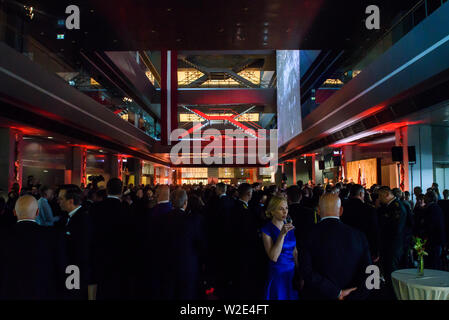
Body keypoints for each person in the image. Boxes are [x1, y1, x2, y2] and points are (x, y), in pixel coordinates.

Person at [299, 193, 372, 300]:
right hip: (350, 294)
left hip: (317, 295)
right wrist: (357, 294)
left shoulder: (307, 234)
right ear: (341, 210)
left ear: (318, 211)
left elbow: (306, 271)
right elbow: (370, 270)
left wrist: (336, 292)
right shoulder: (359, 235)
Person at [0, 195, 68, 299]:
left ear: (14, 212)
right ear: (37, 212)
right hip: (43, 293)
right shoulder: (53, 236)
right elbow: (62, 268)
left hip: (9, 293)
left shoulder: (3, 235)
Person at [158, 189, 204, 299]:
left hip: (166, 264)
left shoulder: (161, 219)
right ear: (185, 203)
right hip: (187, 266)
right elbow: (200, 245)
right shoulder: (193, 221)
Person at [59, 184, 95, 300]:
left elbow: (82, 250)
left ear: (70, 201)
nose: (58, 201)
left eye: (61, 199)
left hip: (76, 270)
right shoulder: (67, 217)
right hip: (72, 269)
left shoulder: (82, 220)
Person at [261, 195, 299, 300]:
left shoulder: (289, 225)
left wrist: (299, 271)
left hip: (291, 273)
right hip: (277, 274)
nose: (285, 212)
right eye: (281, 209)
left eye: (286, 208)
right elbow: (273, 257)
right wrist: (282, 234)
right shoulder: (266, 230)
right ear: (272, 211)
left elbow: (294, 251)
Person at [377, 187, 407, 295]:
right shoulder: (388, 207)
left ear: (386, 194)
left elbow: (395, 228)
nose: (379, 199)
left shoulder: (396, 207)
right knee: (388, 271)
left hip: (393, 245)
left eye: (380, 196)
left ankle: (394, 294)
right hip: (389, 245)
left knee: (392, 272)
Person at [341, 184, 380, 262]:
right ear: (361, 194)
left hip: (346, 245)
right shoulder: (369, 209)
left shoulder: (343, 208)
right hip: (365, 246)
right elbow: (374, 231)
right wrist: (375, 251)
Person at [286, 185, 314, 250]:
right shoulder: (310, 212)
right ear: (301, 197)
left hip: (289, 246)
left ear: (287, 197)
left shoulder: (285, 213)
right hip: (306, 246)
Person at [423, 190, 446, 269]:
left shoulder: (432, 208)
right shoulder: (435, 207)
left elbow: (431, 225)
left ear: (429, 198)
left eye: (425, 196)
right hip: (435, 240)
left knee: (433, 261)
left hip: (433, 240)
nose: (424, 198)